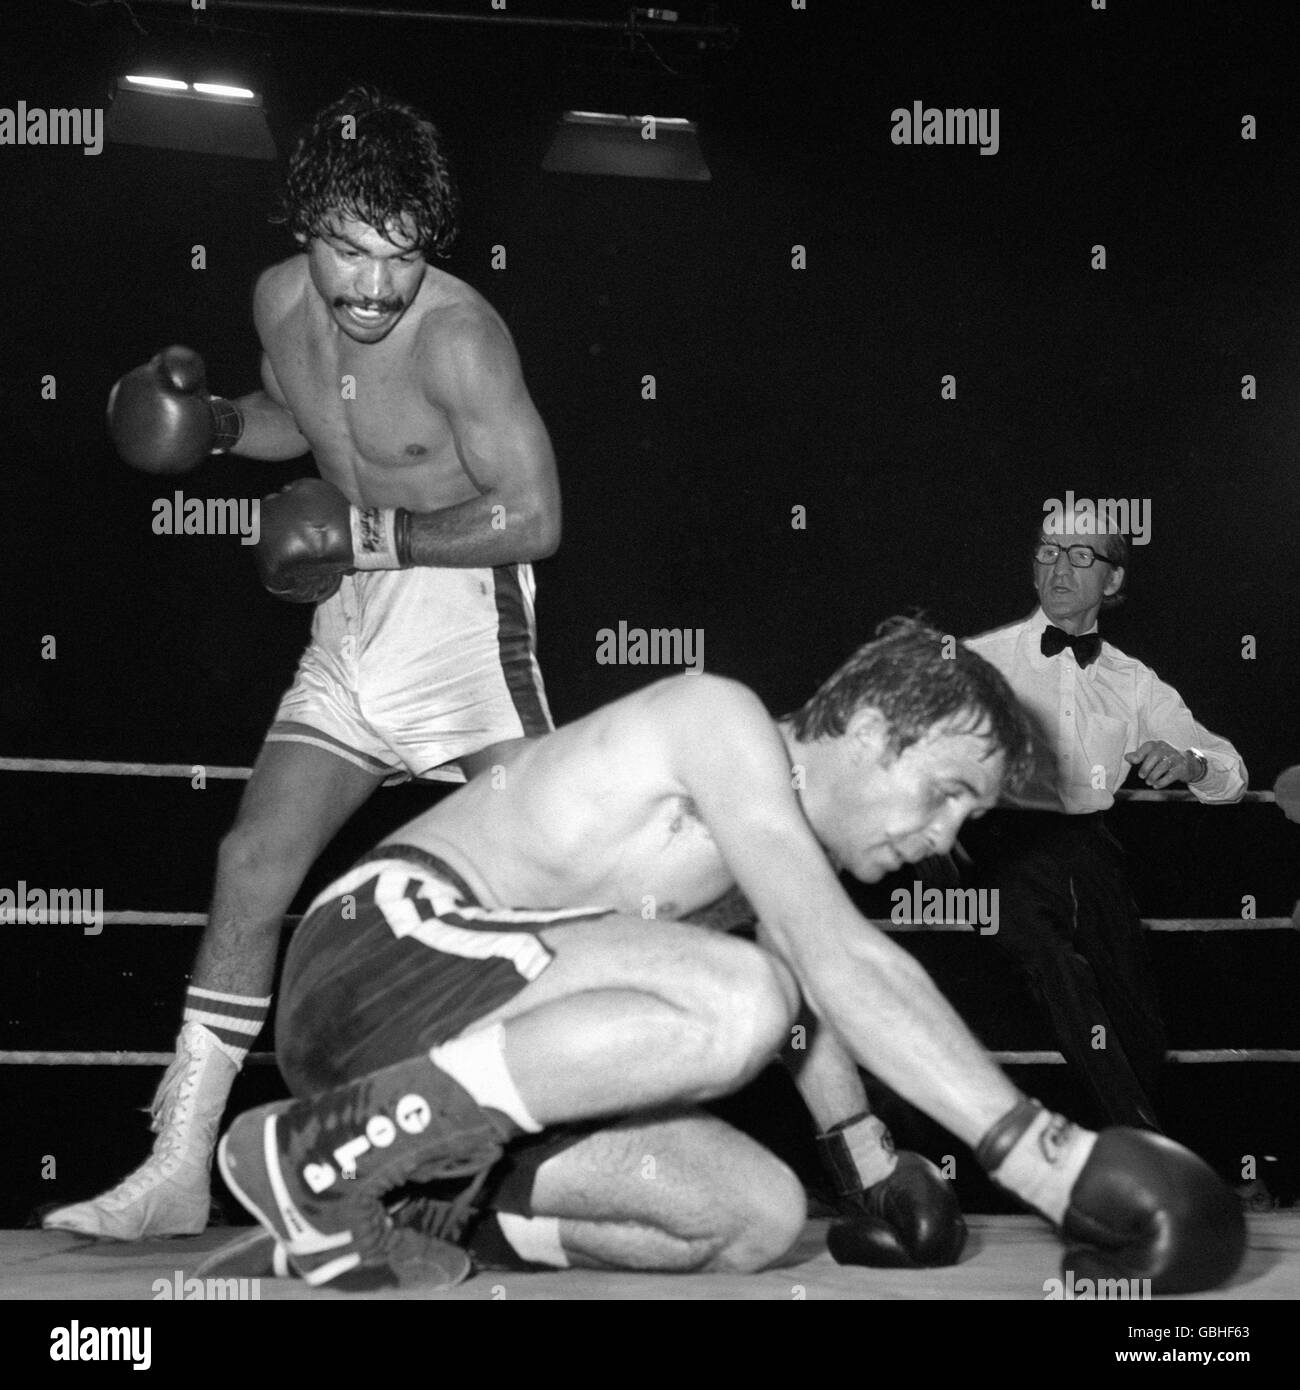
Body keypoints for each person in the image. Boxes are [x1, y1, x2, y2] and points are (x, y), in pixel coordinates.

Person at [209, 620, 1244, 1293]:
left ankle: (427, 1209)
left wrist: (872, 1167)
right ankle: (314, 1155)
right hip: (374, 955)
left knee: (756, 1217)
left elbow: (805, 1008)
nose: (947, 838)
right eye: (947, 792)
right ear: (874, 723)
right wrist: (1043, 1158)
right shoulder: (720, 719)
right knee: (739, 994)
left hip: (447, 1049)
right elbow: (822, 964)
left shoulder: (765, 864)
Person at [45, 86, 561, 1240]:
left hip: (470, 618)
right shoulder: (280, 304)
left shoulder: (463, 337)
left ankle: (572, 1164)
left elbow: (534, 515)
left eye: (401, 256)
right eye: (347, 252)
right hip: (352, 620)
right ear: (302, 230)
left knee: (555, 896)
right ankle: (178, 1165)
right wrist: (218, 427)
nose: (373, 287)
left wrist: (371, 535)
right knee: (253, 858)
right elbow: (304, 415)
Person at [961, 509, 1247, 1132]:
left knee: (1136, 1016)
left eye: (1081, 556)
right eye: (1048, 552)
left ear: (1113, 582)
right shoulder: (978, 661)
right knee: (1058, 967)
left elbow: (1231, 771)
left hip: (1090, 851)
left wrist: (1189, 762)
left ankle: (1137, 1154)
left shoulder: (1134, 682)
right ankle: (1147, 1150)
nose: (1059, 567)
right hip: (998, 846)